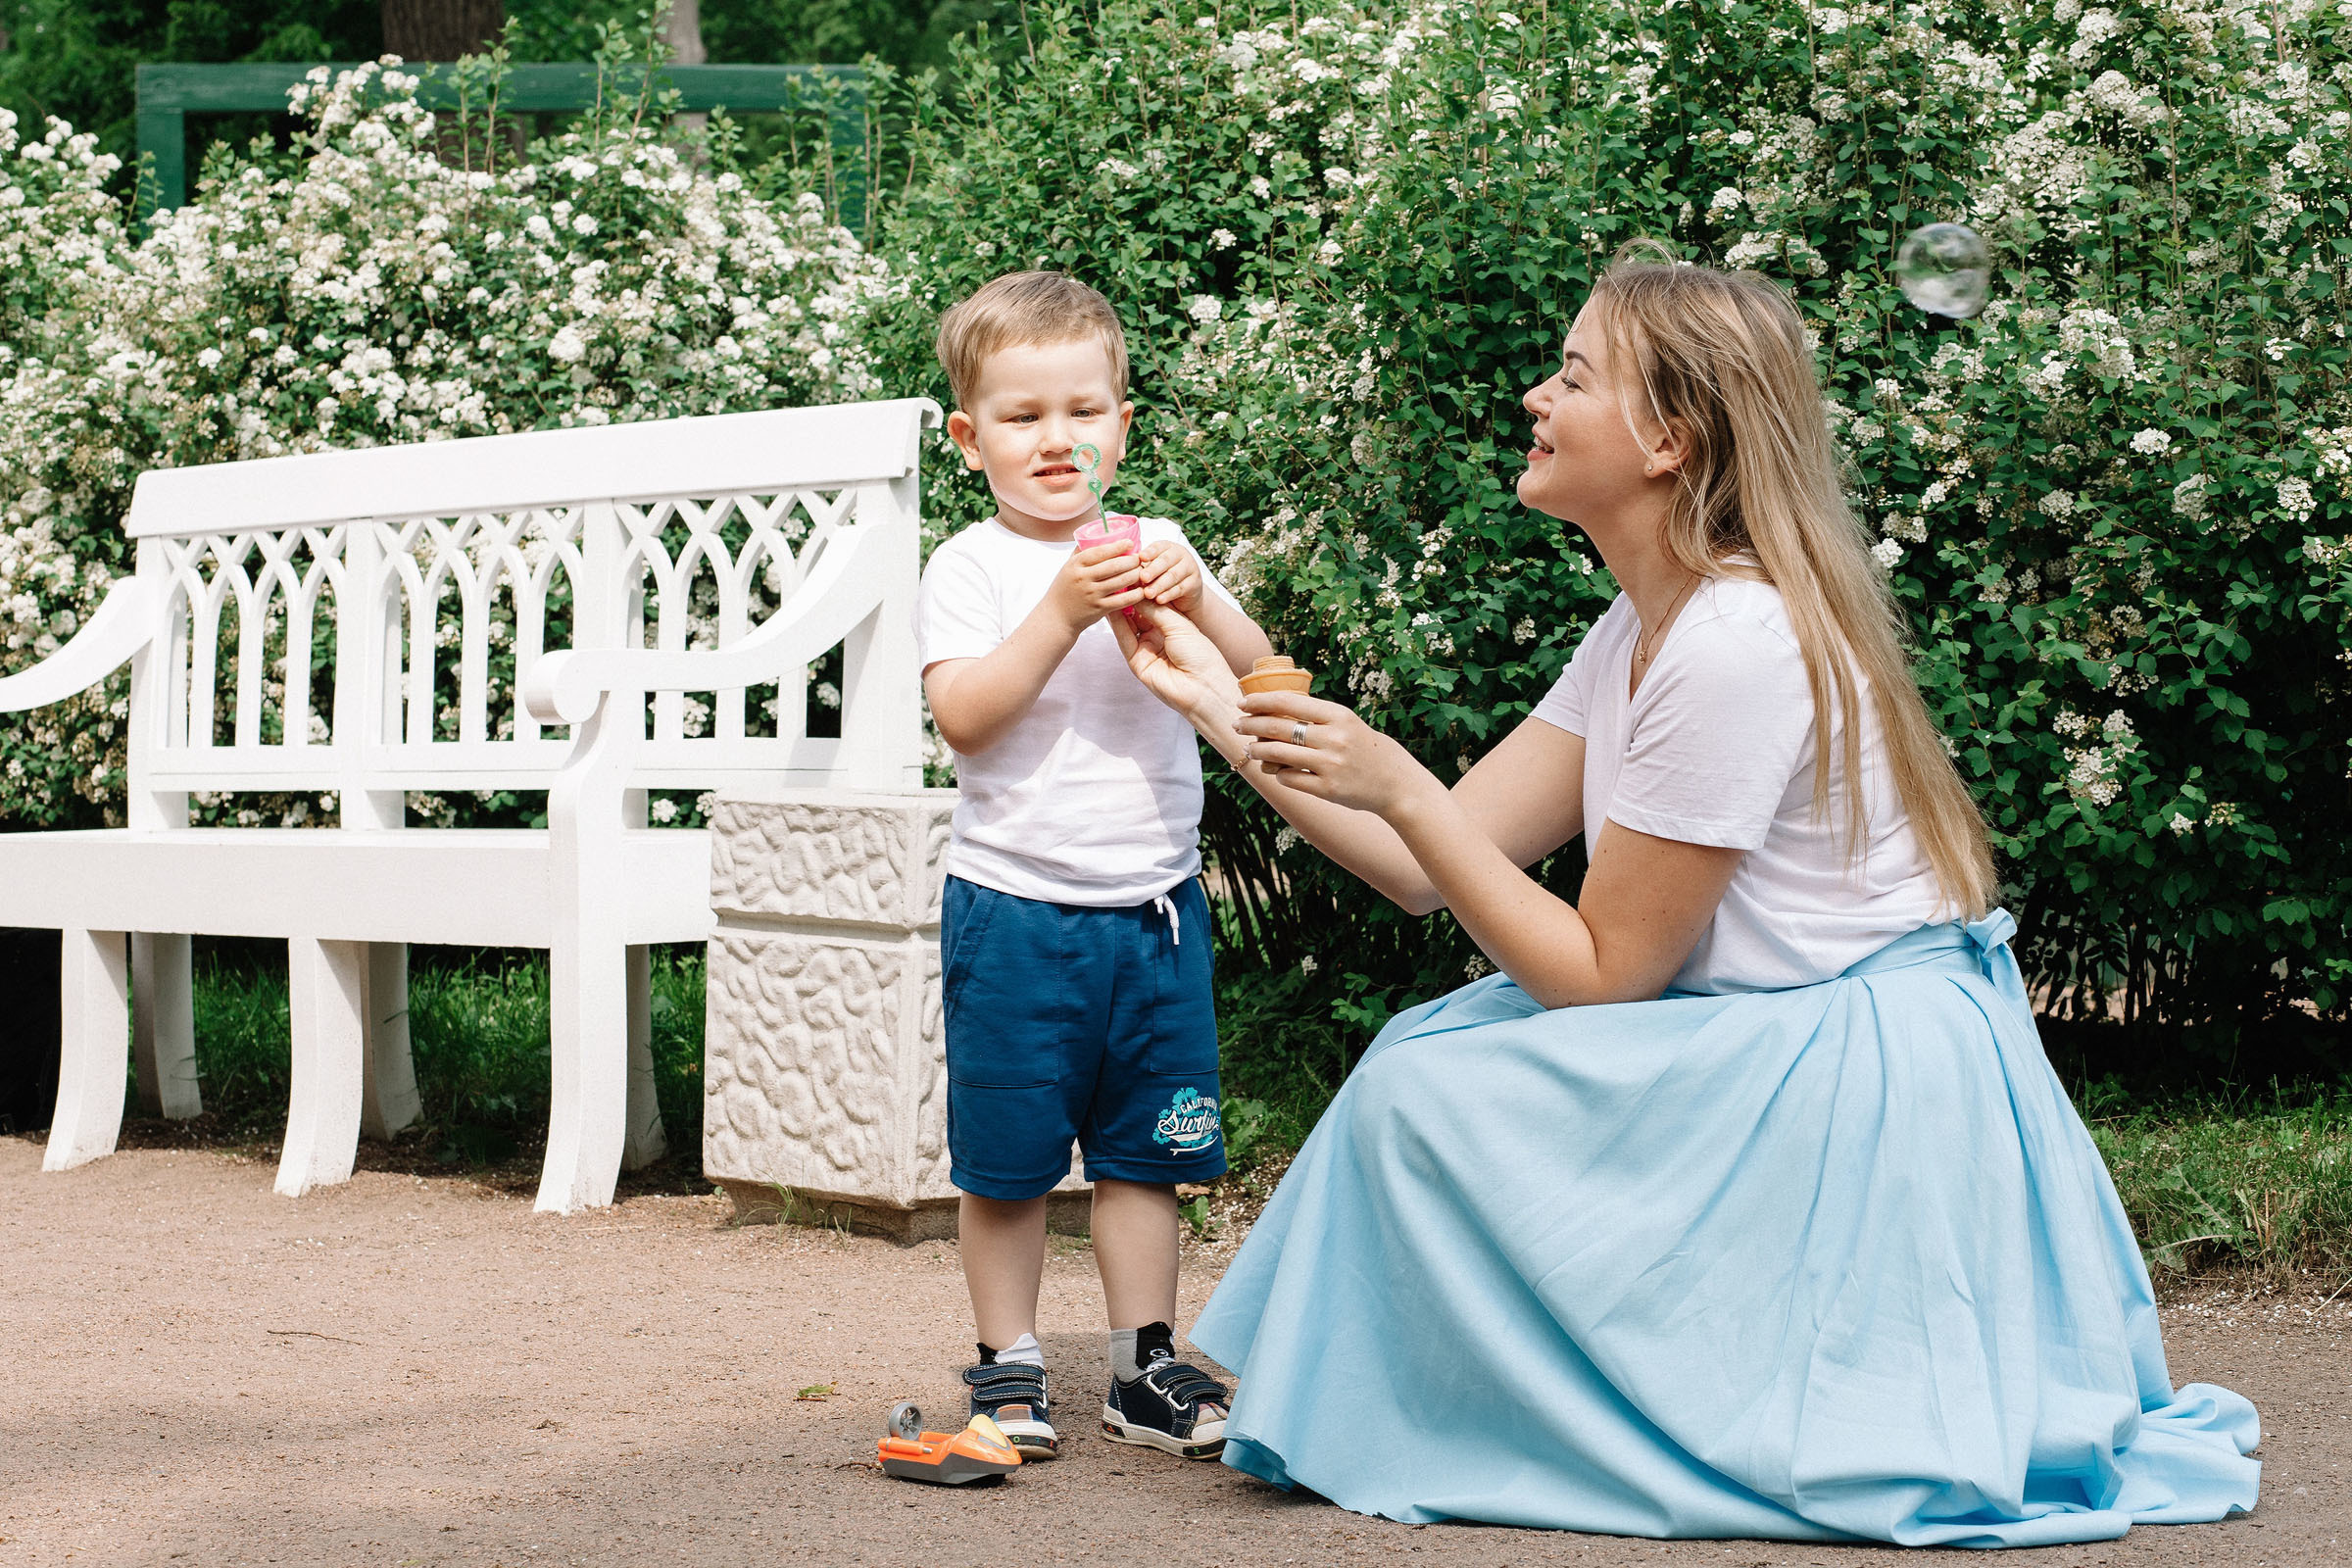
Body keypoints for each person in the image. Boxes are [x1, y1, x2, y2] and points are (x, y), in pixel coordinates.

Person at [1110, 250, 2262, 1544]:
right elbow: (1411, 867)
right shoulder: (1647, 623)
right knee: (1434, 1059)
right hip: (1775, 1033)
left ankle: (1503, 1420)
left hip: (1860, 1075)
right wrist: (1214, 690)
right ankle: (1471, 1412)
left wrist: (1407, 794)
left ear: (1668, 438)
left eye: (1573, 375)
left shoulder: (1733, 643)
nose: (1537, 400)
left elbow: (1603, 975)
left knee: (1436, 1083)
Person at [913, 270, 1276, 1462]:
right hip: (1014, 914)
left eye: (1083, 410)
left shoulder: (1157, 542)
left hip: (1155, 913)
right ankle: (1009, 1363)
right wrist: (1063, 609)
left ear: (1124, 423)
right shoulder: (971, 567)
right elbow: (965, 716)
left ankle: (1142, 1361)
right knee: (1010, 1162)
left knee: (1148, 1156)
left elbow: (1258, 666)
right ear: (972, 440)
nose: (1056, 438)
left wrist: (1205, 605)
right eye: (1022, 416)